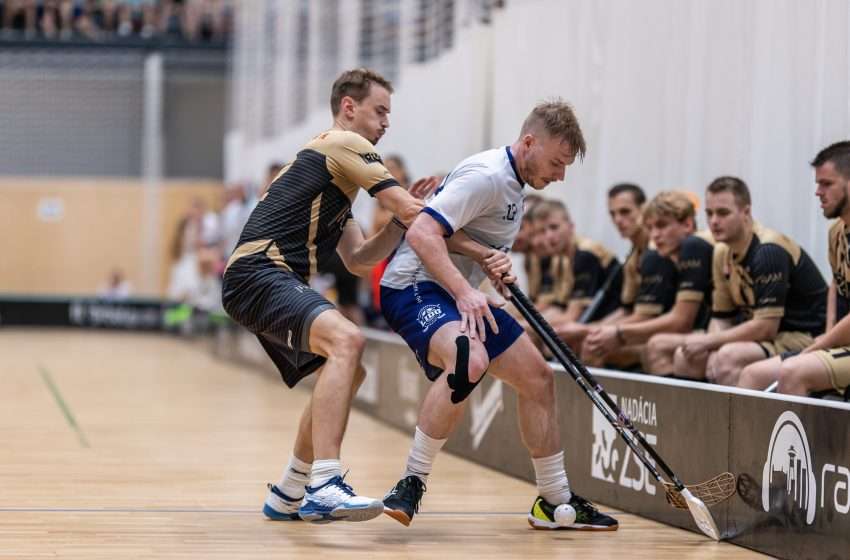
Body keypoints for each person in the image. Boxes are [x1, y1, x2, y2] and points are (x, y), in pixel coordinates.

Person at [379, 100, 618, 531]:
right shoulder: (488, 177)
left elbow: (459, 238)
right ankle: (410, 483)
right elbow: (421, 232)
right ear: (529, 142)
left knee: (538, 378)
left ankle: (554, 501)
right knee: (469, 361)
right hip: (412, 286)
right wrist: (467, 291)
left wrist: (494, 271)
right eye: (557, 162)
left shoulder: (512, 186)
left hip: (456, 291)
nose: (560, 175)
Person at [221, 68, 437, 524]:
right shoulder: (344, 145)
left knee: (350, 369)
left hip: (259, 277)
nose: (386, 123)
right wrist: (461, 212)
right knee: (348, 340)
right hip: (260, 271)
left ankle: (290, 490)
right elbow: (412, 208)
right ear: (348, 107)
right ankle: (325, 484)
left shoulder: (334, 180)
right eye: (380, 111)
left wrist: (396, 224)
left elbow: (359, 258)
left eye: (388, 115)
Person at [663, 177, 827, 384]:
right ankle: (690, 418)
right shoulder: (721, 252)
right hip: (769, 337)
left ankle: (724, 417)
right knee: (686, 356)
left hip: (804, 335)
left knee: (728, 357)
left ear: (746, 212)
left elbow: (766, 327)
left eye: (723, 213)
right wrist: (711, 345)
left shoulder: (768, 250)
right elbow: (722, 317)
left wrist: (710, 342)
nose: (714, 221)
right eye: (709, 213)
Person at [738, 141, 850, 396]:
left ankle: (810, 438)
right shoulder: (837, 232)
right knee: (752, 375)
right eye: (817, 184)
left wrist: (821, 345)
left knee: (794, 371)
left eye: (827, 184)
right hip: (841, 342)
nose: (818, 192)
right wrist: (828, 334)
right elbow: (837, 285)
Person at [583, 191, 713, 372]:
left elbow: (680, 321)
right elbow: (628, 310)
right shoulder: (641, 256)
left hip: (719, 330)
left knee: (656, 345)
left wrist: (617, 332)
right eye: (650, 228)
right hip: (706, 329)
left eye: (661, 226)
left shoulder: (693, 246)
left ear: (688, 224)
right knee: (595, 342)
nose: (655, 235)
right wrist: (598, 330)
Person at [554, 183, 649, 354]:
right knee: (587, 341)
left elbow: (648, 314)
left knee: (590, 345)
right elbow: (626, 309)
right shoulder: (632, 255)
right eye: (613, 214)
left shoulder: (656, 250)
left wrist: (589, 330)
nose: (618, 220)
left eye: (625, 211)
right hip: (637, 324)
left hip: (657, 328)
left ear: (644, 209)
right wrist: (595, 329)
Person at [525, 199, 621, 327]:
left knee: (555, 333)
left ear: (571, 226)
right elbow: (559, 306)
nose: (549, 236)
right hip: (595, 321)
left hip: (612, 319)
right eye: (542, 231)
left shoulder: (585, 254)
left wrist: (522, 326)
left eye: (554, 227)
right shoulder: (561, 258)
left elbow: (572, 316)